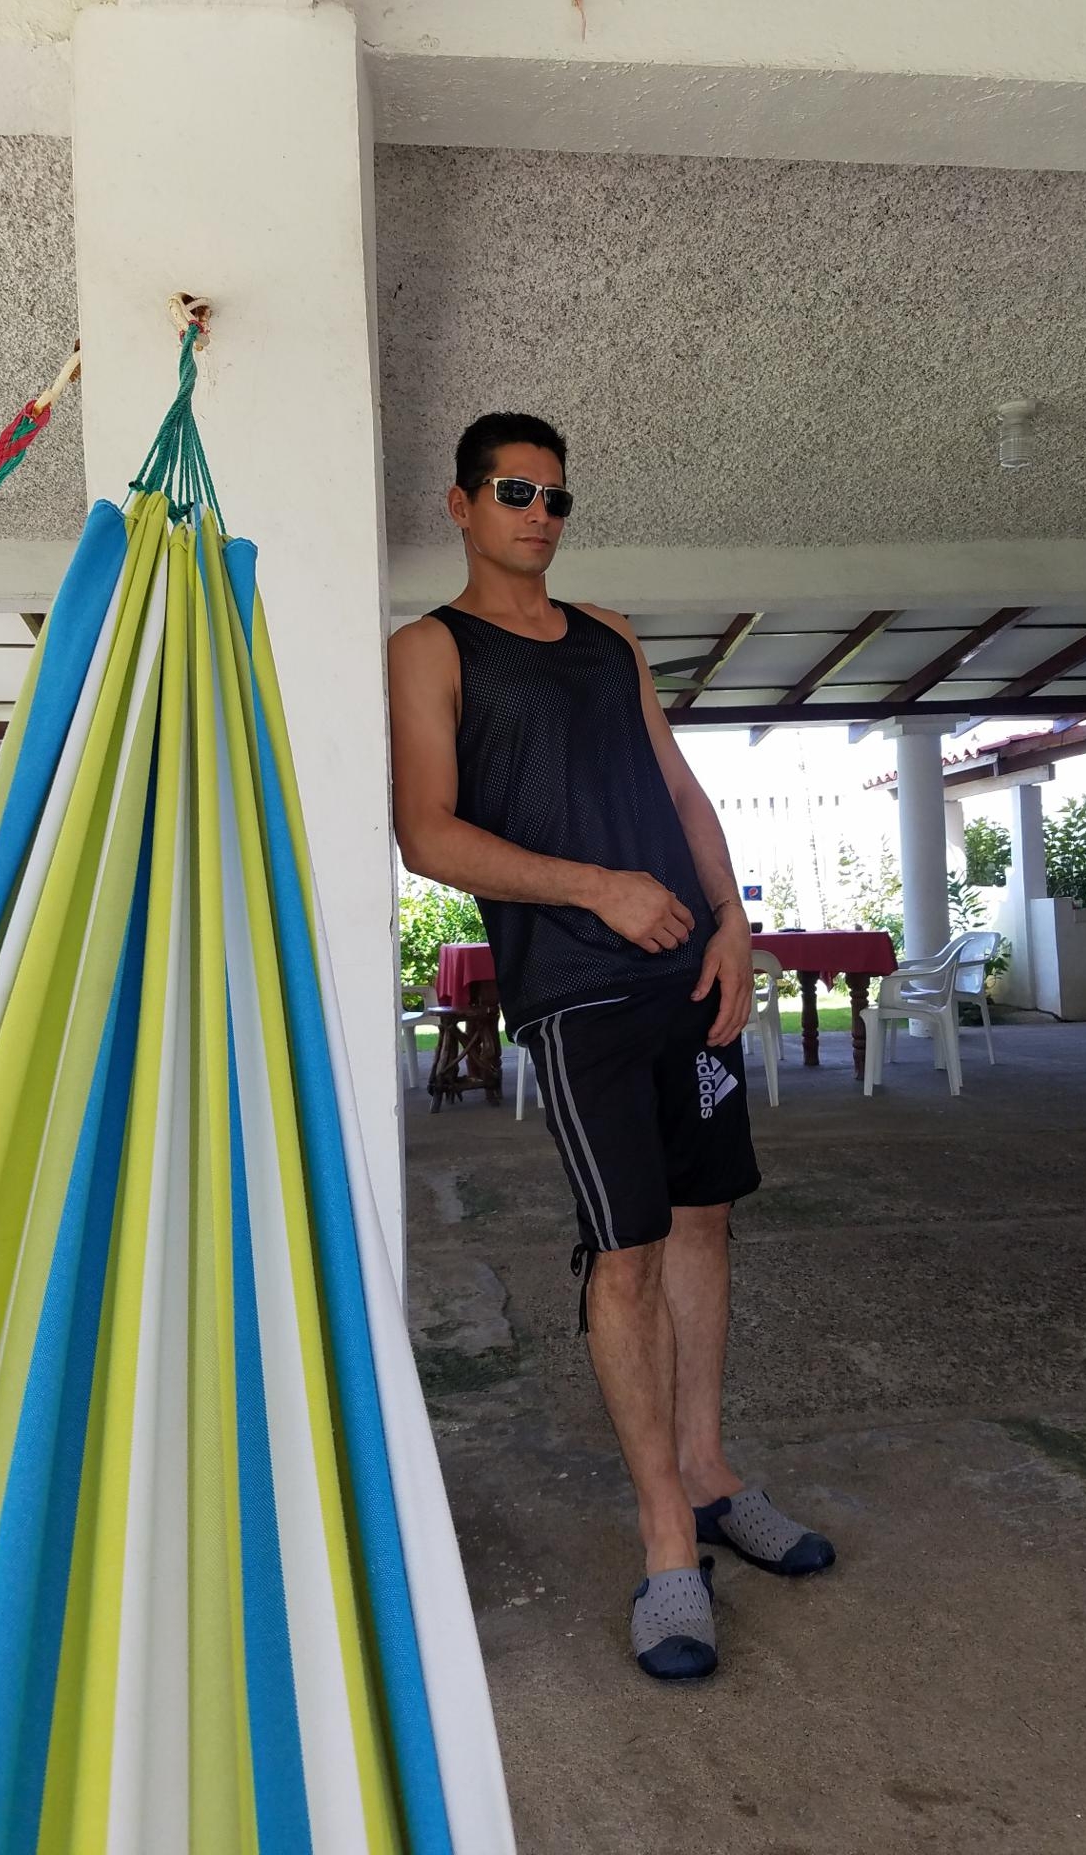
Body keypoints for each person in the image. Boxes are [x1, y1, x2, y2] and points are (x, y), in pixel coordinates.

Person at [387, 412, 835, 1681]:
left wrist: (734, 922)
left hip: (687, 970)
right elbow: (427, 833)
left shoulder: (611, 637)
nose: (540, 513)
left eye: (556, 497)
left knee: (705, 1220)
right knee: (625, 1248)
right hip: (577, 991)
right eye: (514, 492)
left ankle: (709, 1474)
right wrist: (598, 890)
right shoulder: (429, 649)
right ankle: (664, 1542)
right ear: (462, 506)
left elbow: (679, 789)